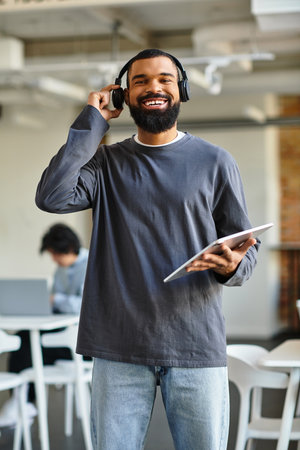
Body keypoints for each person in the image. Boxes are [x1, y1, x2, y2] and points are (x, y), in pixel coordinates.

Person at [35, 49, 259, 450]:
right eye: (140, 81)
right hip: (117, 347)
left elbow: (246, 252)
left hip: (195, 346)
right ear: (124, 94)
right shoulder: (105, 164)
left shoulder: (216, 162)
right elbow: (52, 196)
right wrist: (92, 121)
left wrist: (231, 265)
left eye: (164, 79)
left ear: (181, 89)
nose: (153, 87)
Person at [0, 223, 88, 428]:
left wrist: (55, 299)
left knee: (28, 346)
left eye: (55, 254)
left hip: (83, 343)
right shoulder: (60, 270)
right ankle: (22, 401)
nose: (53, 259)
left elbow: (86, 305)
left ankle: (23, 402)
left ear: (67, 248)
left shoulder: (93, 264)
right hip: (62, 330)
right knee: (23, 338)